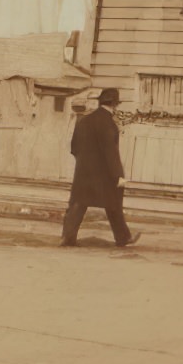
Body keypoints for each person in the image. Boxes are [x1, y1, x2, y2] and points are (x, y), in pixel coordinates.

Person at [61, 87, 139, 247]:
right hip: (104, 175)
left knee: (77, 204)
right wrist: (119, 175)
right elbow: (111, 153)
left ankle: (67, 238)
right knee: (114, 205)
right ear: (115, 105)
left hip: (83, 173)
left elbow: (74, 147)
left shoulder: (84, 121)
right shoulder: (109, 124)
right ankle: (123, 237)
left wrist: (84, 163)